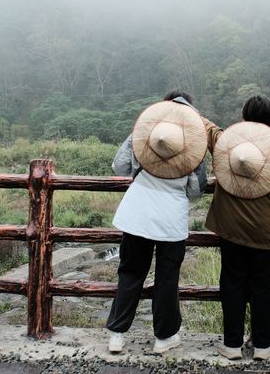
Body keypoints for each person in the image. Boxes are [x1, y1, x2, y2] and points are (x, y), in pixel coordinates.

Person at [107, 90, 207, 355]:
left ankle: (117, 334)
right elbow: (197, 188)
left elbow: (119, 166)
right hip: (171, 218)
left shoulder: (145, 131)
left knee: (130, 272)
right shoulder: (193, 140)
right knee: (167, 278)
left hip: (137, 212)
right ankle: (164, 337)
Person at [201, 95, 270, 361]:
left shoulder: (228, 143)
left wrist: (184, 108)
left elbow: (210, 132)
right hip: (264, 232)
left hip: (230, 229)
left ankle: (231, 344)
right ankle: (263, 346)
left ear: (243, 115)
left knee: (231, 284)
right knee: (263, 287)